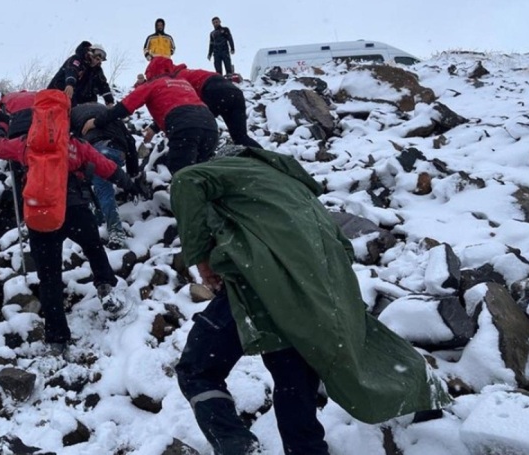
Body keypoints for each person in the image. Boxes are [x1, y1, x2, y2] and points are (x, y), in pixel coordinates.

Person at [170, 147, 452, 455]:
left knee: (197, 370)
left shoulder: (232, 171)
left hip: (258, 286)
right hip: (311, 301)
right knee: (294, 380)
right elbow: (343, 247)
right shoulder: (296, 190)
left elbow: (186, 179)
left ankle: (237, 446)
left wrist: (200, 258)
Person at [0, 98, 144, 354]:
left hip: (40, 215)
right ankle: (106, 287)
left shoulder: (26, 145)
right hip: (75, 210)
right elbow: (106, 168)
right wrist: (130, 183)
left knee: (49, 277)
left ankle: (57, 338)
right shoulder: (74, 146)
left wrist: (1, 126)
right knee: (94, 248)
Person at [84, 56, 217, 175]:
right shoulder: (183, 83)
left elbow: (123, 107)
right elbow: (183, 107)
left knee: (182, 176)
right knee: (201, 174)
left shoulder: (152, 84)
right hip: (210, 126)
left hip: (184, 128)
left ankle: (184, 200)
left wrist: (96, 122)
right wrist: (154, 128)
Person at [71, 103, 139, 249]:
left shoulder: (72, 115)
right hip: (117, 150)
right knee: (101, 183)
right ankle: (101, 218)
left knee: (102, 187)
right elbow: (131, 142)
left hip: (96, 150)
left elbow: (70, 143)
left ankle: (115, 231)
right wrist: (133, 175)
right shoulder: (109, 114)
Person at [171, 62, 261, 148]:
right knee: (241, 138)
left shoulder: (175, 80)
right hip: (234, 92)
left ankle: (201, 158)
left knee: (198, 129)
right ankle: (269, 160)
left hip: (213, 91)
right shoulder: (191, 72)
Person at [48, 42, 115, 106]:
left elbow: (103, 85)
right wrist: (70, 84)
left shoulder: (97, 70)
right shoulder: (77, 59)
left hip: (80, 101)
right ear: (90, 51)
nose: (99, 58)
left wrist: (109, 101)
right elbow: (72, 70)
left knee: (95, 108)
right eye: (98, 53)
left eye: (102, 57)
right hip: (59, 93)